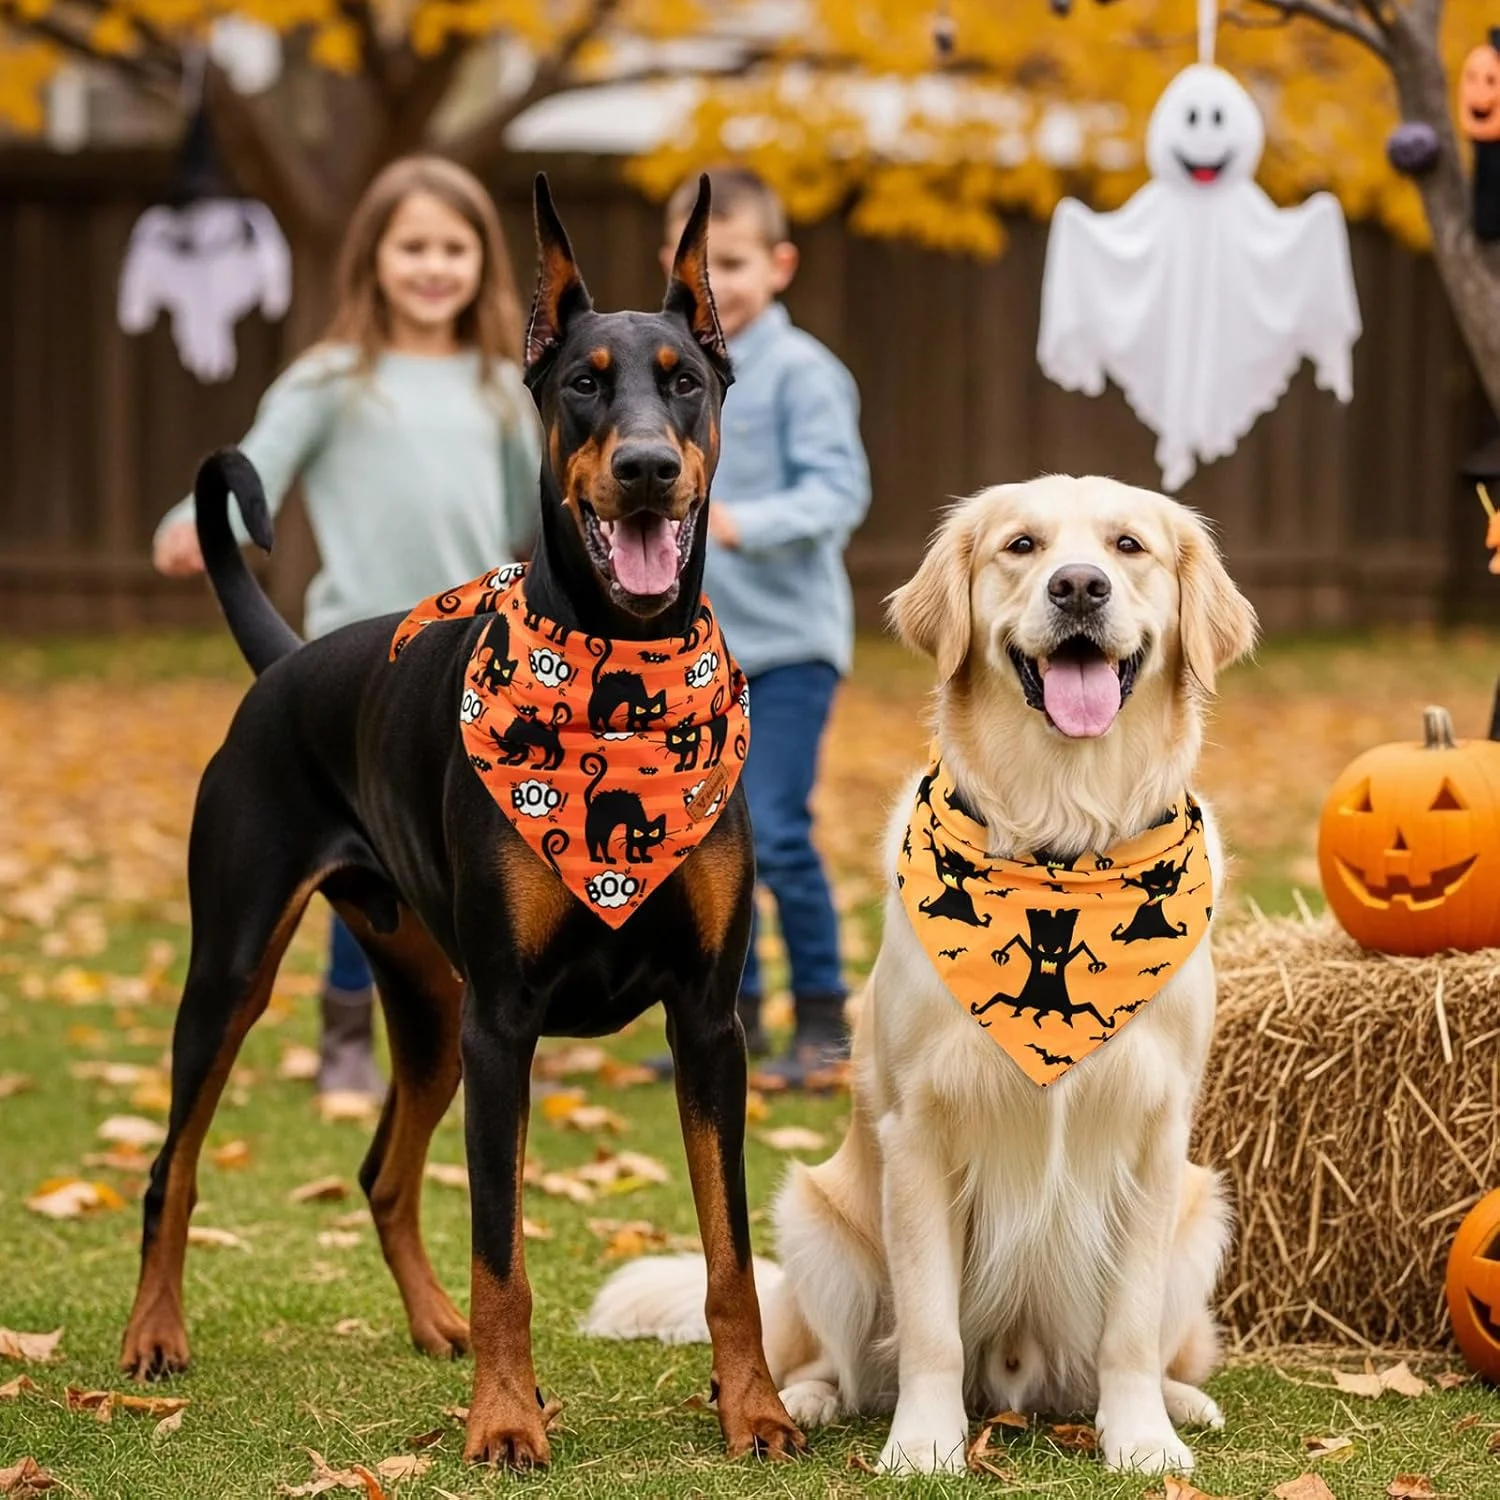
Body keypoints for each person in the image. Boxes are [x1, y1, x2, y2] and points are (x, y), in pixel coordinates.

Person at [153, 154, 542, 1100]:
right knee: (351, 838)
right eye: (413, 247)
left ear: (483, 264)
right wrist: (190, 526)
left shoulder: (504, 387)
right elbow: (260, 462)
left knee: (463, 852)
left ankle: (481, 1020)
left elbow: (524, 520)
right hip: (354, 666)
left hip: (472, 661)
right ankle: (345, 1033)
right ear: (371, 259)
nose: (433, 267)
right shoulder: (333, 378)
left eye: (453, 249)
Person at [650, 165, 871, 1089]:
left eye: (734, 262)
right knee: (698, 832)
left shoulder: (803, 372)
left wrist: (743, 522)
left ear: (780, 265)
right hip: (692, 653)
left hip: (787, 650)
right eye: (699, 263)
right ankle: (724, 1014)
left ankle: (821, 1013)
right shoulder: (663, 367)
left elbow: (840, 491)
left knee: (774, 828)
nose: (717, 282)